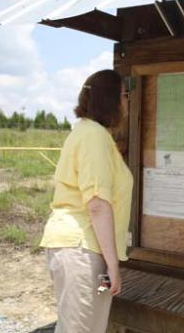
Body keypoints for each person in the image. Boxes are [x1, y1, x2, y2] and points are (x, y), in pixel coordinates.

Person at [39, 69, 133, 333]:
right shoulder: (94, 136)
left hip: (87, 251)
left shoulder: (88, 132)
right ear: (111, 99)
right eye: (125, 95)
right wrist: (112, 265)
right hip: (82, 251)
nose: (127, 102)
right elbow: (97, 203)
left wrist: (108, 262)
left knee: (86, 326)